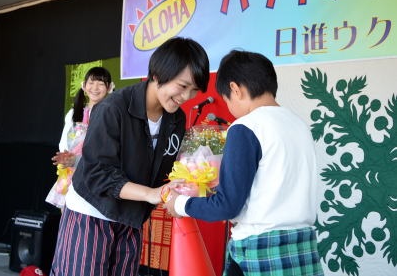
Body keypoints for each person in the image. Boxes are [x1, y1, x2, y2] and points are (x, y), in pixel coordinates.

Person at [50, 37, 210, 276]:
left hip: (131, 218)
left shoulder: (175, 120)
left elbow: (165, 171)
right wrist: (151, 194)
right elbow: (98, 174)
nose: (187, 97)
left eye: (194, 90)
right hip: (91, 213)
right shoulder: (112, 109)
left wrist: (193, 183)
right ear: (157, 75)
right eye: (182, 86)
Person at [164, 50, 324, 276]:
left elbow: (228, 206)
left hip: (259, 252)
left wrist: (179, 203)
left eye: (226, 98)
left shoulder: (246, 127)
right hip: (303, 247)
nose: (228, 106)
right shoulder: (299, 125)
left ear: (235, 90)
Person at [45, 66, 114, 210]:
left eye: (101, 83)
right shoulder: (73, 114)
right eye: (91, 82)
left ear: (109, 88)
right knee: (68, 215)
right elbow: (64, 143)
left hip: (95, 172)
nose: (95, 87)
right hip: (71, 170)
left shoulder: (111, 114)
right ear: (84, 86)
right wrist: (66, 158)